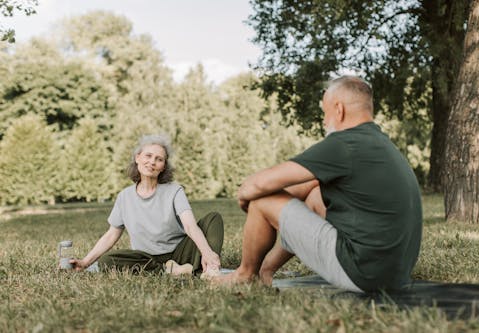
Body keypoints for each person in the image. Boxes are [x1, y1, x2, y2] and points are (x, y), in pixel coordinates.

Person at [215, 76, 422, 292]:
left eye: (325, 112)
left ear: (338, 109)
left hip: (362, 273)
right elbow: (307, 185)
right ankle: (265, 270)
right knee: (315, 195)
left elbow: (256, 186)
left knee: (262, 199)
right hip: (392, 274)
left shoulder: (344, 144)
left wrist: (249, 200)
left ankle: (245, 275)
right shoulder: (378, 143)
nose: (324, 121)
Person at [71, 134, 224, 276]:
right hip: (146, 258)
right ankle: (170, 270)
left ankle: (210, 267)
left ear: (163, 166)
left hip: (180, 253)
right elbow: (111, 235)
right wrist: (85, 262)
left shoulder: (174, 190)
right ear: (137, 158)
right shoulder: (124, 197)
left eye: (159, 159)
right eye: (148, 156)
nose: (152, 162)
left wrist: (207, 252)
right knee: (106, 261)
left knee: (213, 219)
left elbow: (190, 226)